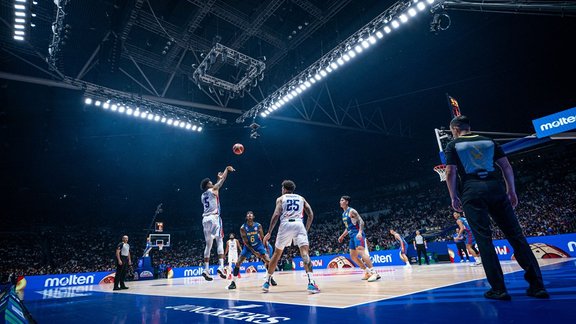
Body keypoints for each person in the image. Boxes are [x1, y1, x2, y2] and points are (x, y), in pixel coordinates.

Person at [445, 115, 548, 300]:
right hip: (496, 188)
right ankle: (537, 286)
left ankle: (499, 289)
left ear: (454, 129)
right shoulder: (489, 140)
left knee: (484, 240)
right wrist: (512, 191)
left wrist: (453, 196)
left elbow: (450, 171)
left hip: (472, 190)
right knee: (516, 235)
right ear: (469, 126)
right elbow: (506, 166)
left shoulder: (453, 145)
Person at [263, 180, 319, 294]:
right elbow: (311, 214)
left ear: (283, 189)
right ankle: (311, 283)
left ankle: (267, 281)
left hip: (285, 224)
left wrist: (269, 232)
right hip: (299, 224)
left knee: (277, 254)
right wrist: (306, 229)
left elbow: (276, 215)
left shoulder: (280, 199)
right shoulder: (301, 198)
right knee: (304, 253)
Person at [200, 165, 235, 281]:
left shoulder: (202, 195)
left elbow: (215, 187)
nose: (211, 183)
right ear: (208, 185)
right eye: (210, 182)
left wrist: (217, 179)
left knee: (208, 245)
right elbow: (221, 183)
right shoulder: (214, 189)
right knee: (220, 240)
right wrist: (226, 170)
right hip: (214, 218)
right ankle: (220, 266)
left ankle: (206, 269)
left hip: (205, 220)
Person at [227, 211, 277, 290]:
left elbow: (263, 237)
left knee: (268, 261)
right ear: (246, 217)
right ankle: (233, 282)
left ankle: (271, 278)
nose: (249, 216)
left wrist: (264, 248)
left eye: (251, 215)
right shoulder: (243, 228)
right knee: (238, 263)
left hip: (259, 245)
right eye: (248, 215)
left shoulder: (258, 226)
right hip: (248, 247)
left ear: (253, 217)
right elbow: (246, 242)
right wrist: (254, 252)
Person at [338, 196, 380, 281]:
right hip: (351, 235)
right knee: (353, 256)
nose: (340, 202)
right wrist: (342, 236)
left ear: (346, 202)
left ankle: (374, 272)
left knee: (361, 252)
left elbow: (361, 221)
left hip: (357, 234)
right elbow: (348, 227)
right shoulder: (343, 214)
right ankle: (367, 272)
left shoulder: (351, 211)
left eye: (342, 200)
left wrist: (360, 232)